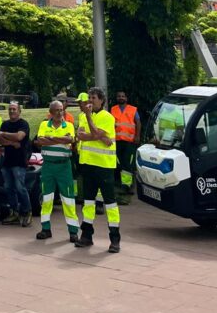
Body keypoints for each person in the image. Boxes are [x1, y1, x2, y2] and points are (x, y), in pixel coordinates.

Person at [75, 87, 120, 252]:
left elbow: (93, 133)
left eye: (93, 98)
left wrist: (93, 133)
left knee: (110, 203)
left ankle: (115, 238)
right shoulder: (82, 116)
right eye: (89, 98)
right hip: (87, 165)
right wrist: (98, 136)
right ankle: (86, 235)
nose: (90, 101)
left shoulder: (107, 117)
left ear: (101, 100)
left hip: (104, 166)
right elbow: (81, 135)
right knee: (87, 202)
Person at [35, 100, 78, 242]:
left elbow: (70, 139)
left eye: (61, 110)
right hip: (48, 166)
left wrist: (51, 138)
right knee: (46, 198)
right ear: (51, 113)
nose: (60, 113)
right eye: (57, 110)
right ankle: (45, 229)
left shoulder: (69, 125)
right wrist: (60, 140)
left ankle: (73, 231)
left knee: (68, 199)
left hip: (64, 167)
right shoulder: (43, 124)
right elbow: (40, 141)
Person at [0, 101, 32, 227]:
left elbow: (19, 137)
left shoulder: (23, 124)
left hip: (19, 162)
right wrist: (11, 143)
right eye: (10, 109)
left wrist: (5, 135)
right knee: (8, 188)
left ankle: (27, 212)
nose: (12, 111)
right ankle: (14, 213)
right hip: (6, 161)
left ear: (19, 111)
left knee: (20, 188)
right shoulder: (5, 124)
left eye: (14, 109)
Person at [110, 89, 140, 194]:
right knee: (119, 163)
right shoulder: (113, 109)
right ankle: (121, 185)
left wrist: (137, 136)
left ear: (126, 98)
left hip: (129, 141)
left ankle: (128, 186)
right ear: (117, 98)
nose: (121, 98)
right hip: (117, 141)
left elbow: (138, 122)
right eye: (119, 96)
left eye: (123, 96)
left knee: (128, 163)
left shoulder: (133, 109)